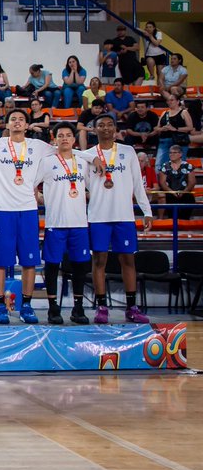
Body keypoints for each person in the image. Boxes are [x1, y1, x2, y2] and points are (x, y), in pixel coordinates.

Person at [0, 108, 53, 324]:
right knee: (0, 262)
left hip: (28, 210)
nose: (17, 122)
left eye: (21, 119)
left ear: (27, 125)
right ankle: (0, 306)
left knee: (29, 262)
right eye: (13, 119)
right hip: (3, 210)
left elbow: (65, 149)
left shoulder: (37, 146)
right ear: (6, 124)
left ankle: (27, 306)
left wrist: (91, 157)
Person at [83, 114, 153, 324]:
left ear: (115, 128)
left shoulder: (127, 151)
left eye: (109, 124)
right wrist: (90, 158)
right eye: (101, 125)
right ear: (94, 130)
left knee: (128, 260)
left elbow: (137, 184)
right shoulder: (87, 155)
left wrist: (146, 211)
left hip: (124, 215)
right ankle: (101, 306)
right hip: (98, 215)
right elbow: (86, 181)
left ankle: (131, 307)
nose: (106, 128)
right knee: (99, 260)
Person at [33, 122, 94, 325]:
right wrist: (41, 198)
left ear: (74, 139)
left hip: (79, 223)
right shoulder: (47, 162)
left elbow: (93, 188)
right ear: (54, 138)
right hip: (55, 222)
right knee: (51, 265)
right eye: (61, 135)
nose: (65, 138)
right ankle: (53, 308)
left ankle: (78, 308)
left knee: (79, 266)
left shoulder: (83, 162)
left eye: (68, 135)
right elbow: (32, 184)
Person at [153, 92, 192, 169]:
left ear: (178, 101)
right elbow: (156, 128)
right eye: (168, 100)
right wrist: (162, 129)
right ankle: (161, 180)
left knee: (179, 165)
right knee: (159, 164)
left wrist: (175, 129)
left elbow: (190, 127)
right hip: (164, 140)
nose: (169, 102)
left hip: (179, 141)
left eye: (172, 100)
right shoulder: (164, 113)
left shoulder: (184, 112)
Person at [160, 144, 196, 220]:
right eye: (170, 153)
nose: (171, 154)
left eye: (174, 152)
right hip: (170, 194)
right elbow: (162, 183)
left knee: (188, 199)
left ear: (180, 154)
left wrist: (183, 192)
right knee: (168, 199)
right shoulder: (165, 166)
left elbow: (192, 182)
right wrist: (172, 192)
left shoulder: (188, 166)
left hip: (185, 194)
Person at [140, 21, 167, 86]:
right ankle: (152, 75)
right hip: (149, 55)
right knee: (150, 61)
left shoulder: (158, 33)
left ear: (154, 28)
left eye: (150, 27)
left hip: (159, 54)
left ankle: (159, 88)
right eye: (147, 27)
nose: (148, 28)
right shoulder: (143, 34)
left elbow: (156, 43)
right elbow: (136, 28)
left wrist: (150, 36)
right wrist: (143, 31)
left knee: (160, 74)